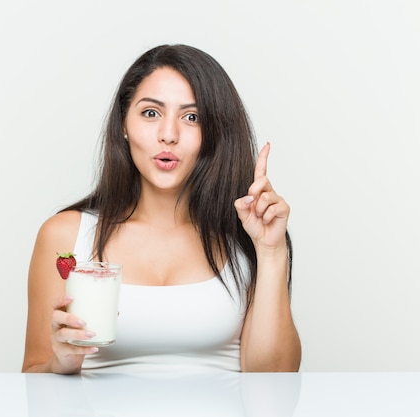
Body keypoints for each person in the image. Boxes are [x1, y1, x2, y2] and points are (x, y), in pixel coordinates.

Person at [22, 44, 301, 374]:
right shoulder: (65, 235)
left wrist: (271, 251)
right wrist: (61, 363)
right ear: (123, 124)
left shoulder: (246, 237)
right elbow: (34, 379)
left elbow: (275, 382)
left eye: (192, 117)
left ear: (214, 135)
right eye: (151, 113)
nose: (169, 135)